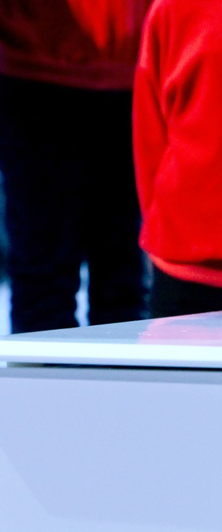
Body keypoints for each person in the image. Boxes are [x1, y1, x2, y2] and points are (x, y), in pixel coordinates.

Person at [0, 0, 151, 333]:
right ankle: (43, 385)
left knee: (127, 281)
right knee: (44, 282)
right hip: (36, 77)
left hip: (137, 75)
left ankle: (125, 385)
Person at [133, 0, 222, 318]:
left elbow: (150, 137)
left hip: (183, 254)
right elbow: (151, 133)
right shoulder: (174, 9)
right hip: (185, 266)